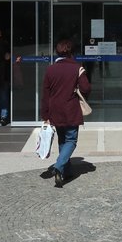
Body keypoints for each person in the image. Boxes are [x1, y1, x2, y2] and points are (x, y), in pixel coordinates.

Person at [41, 39, 91, 188]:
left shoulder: (50, 69)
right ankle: (59, 165)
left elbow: (45, 94)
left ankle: (65, 171)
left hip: (55, 110)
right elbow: (86, 88)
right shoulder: (77, 68)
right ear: (70, 52)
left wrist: (45, 115)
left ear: (57, 52)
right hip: (70, 109)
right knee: (71, 140)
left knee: (62, 140)